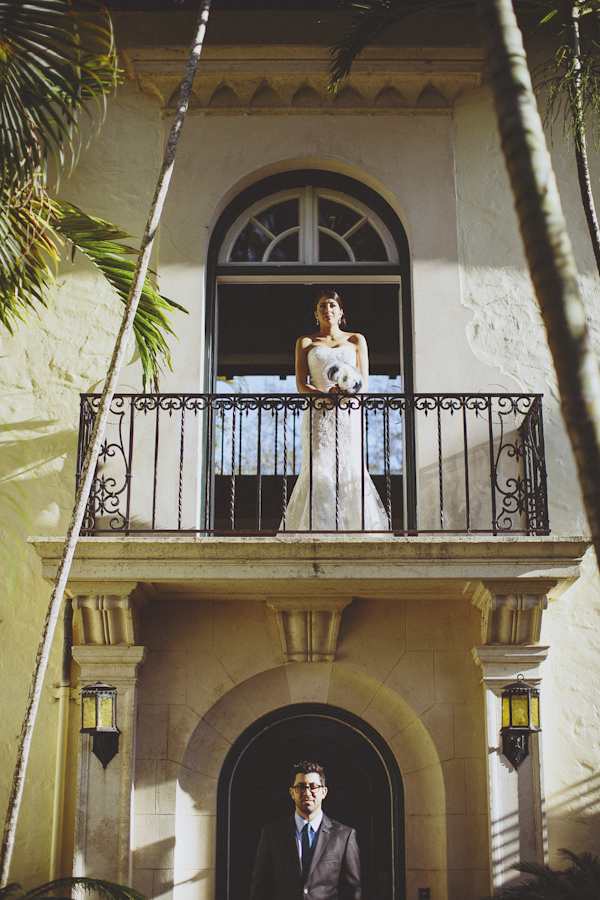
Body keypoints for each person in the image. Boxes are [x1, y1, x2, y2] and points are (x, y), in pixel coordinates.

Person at [282, 290, 389, 531]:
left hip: (348, 414)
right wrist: (324, 396)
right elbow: (301, 384)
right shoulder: (306, 342)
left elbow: (365, 383)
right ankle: (317, 528)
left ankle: (355, 529)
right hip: (318, 413)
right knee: (319, 465)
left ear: (341, 312)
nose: (327, 309)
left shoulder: (356, 340)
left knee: (349, 464)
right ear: (316, 313)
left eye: (332, 305)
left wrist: (346, 394)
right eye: (322, 306)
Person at [249, 761, 361, 900]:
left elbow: (352, 891)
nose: (307, 793)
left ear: (324, 792)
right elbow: (260, 888)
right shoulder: (272, 834)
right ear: (292, 792)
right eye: (301, 787)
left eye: (313, 787)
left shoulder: (344, 836)